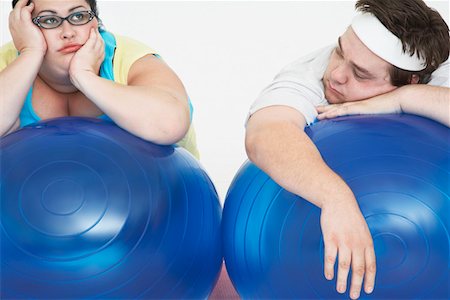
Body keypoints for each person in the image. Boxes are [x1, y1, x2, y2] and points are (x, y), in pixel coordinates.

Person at [245, 0, 449, 299]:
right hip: (295, 248)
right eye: (339, 51)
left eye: (361, 74)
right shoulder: (311, 73)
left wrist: (403, 99)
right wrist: (335, 198)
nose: (337, 75)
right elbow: (265, 133)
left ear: (412, 78)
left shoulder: (438, 68)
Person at [0, 0, 199, 158]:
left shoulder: (129, 58)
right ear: (24, 28)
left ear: (95, 22)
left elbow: (170, 124)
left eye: (78, 16)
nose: (68, 32)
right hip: (26, 205)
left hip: (155, 204)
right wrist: (31, 52)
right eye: (49, 20)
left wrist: (84, 76)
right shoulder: (9, 63)